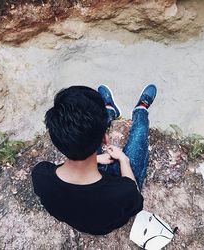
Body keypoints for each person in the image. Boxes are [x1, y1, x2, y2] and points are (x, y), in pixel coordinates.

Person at [31, 84, 157, 235]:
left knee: (84, 138)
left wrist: (96, 159)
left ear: (57, 141)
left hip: (87, 215)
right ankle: (141, 110)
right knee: (139, 134)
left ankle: (109, 111)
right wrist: (123, 160)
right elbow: (137, 201)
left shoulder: (40, 175)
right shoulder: (123, 192)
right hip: (105, 220)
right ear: (105, 139)